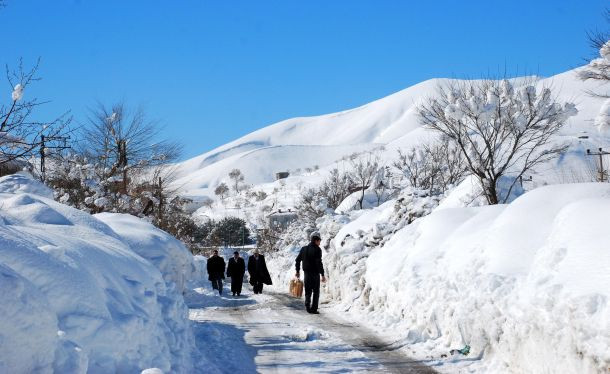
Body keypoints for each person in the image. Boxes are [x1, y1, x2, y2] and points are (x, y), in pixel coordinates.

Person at [295, 232, 326, 314]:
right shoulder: (318, 249)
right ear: (316, 241)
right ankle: (314, 309)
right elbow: (319, 263)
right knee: (316, 291)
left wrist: (297, 271)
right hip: (315, 274)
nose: (320, 243)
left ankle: (307, 305)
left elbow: (297, 260)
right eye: (319, 241)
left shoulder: (303, 249)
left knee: (308, 290)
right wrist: (322, 274)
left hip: (306, 273)